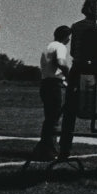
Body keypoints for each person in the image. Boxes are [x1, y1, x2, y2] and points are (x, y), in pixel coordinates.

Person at [57, 0, 97, 160]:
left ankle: (64, 147)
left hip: (79, 67)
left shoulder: (76, 26)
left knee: (70, 108)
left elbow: (73, 52)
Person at [32, 25, 72, 161]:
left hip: (45, 83)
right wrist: (69, 75)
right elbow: (61, 62)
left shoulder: (48, 46)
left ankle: (43, 148)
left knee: (49, 119)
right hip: (55, 85)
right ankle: (51, 152)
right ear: (66, 37)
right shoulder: (60, 47)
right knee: (55, 120)